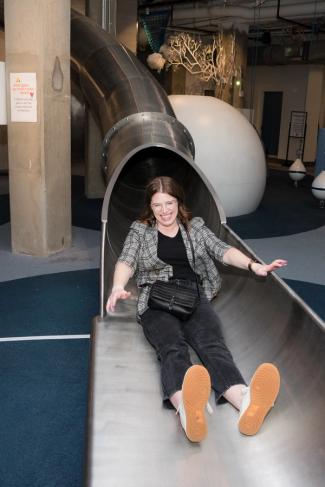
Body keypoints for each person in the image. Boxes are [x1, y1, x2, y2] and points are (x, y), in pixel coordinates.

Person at [106, 176, 287, 443]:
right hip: (156, 298)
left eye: (170, 203)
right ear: (150, 207)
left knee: (211, 343)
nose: (164, 210)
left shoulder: (195, 227)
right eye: (158, 205)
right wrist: (117, 286)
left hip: (193, 295)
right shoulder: (140, 230)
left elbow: (222, 250)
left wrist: (254, 265)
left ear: (179, 202)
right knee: (172, 345)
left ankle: (244, 400)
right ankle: (187, 410)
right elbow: (126, 260)